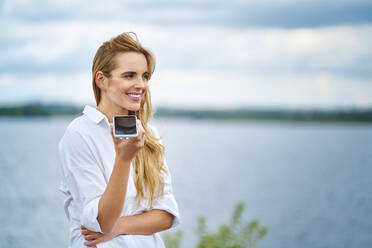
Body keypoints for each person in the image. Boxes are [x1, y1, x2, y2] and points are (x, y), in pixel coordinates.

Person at [58, 32, 180, 248]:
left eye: (145, 76)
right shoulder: (79, 134)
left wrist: (120, 226)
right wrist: (124, 159)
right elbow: (102, 222)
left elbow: (166, 216)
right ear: (101, 80)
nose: (141, 84)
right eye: (129, 75)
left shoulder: (148, 135)